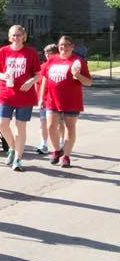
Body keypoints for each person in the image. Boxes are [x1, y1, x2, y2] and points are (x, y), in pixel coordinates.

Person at [0, 25, 41, 172]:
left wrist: (30, 81)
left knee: (20, 127)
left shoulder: (30, 52)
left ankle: (18, 159)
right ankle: (12, 148)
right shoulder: (3, 51)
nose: (16, 37)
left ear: (24, 36)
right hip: (6, 93)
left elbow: (38, 74)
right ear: (9, 36)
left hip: (24, 95)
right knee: (2, 124)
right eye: (14, 35)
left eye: (19, 35)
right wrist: (3, 76)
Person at [41, 35, 92, 168]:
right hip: (52, 100)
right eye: (61, 45)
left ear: (72, 46)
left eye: (66, 44)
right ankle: (57, 150)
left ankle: (66, 156)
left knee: (70, 128)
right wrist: (41, 96)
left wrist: (78, 75)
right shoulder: (52, 60)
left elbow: (88, 82)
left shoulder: (78, 61)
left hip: (71, 101)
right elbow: (43, 77)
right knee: (51, 126)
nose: (63, 47)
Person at [34, 43, 62, 154]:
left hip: (57, 100)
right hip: (44, 100)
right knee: (43, 122)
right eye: (46, 54)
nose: (48, 57)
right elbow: (38, 83)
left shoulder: (60, 67)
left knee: (59, 123)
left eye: (50, 54)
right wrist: (39, 98)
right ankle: (43, 144)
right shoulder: (42, 67)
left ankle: (60, 142)